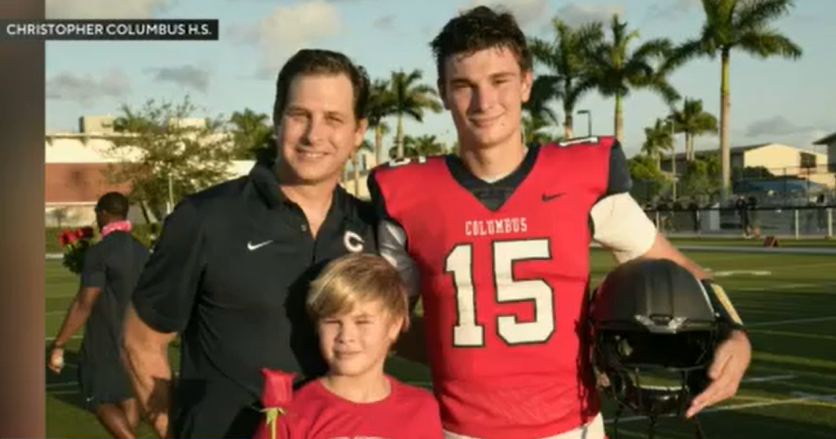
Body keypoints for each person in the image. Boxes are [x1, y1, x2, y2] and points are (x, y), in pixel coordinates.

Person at [367, 6, 752, 439]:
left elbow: (679, 269)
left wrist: (735, 334)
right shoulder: (409, 194)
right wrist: (463, 348)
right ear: (442, 92)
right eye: (463, 86)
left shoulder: (582, 179)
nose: (484, 102)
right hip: (458, 430)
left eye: (499, 81)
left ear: (526, 82)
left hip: (574, 429)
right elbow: (385, 323)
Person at [121, 49, 378, 438]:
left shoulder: (371, 226)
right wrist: (176, 429)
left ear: (358, 132)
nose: (314, 135)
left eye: (333, 119)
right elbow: (140, 341)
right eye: (299, 115)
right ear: (277, 120)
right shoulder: (206, 217)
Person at [252, 253, 444, 439]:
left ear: (394, 325)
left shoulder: (421, 410)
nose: (346, 336)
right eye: (333, 321)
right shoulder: (292, 414)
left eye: (362, 322)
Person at [48, 192, 150, 438]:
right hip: (137, 334)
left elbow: (85, 302)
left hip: (105, 335)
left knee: (97, 398)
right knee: (127, 393)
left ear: (103, 214)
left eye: (96, 212)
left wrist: (59, 344)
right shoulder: (142, 250)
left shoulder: (100, 252)